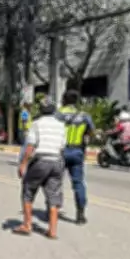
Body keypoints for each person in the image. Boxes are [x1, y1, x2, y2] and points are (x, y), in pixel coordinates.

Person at [15, 96, 67, 239]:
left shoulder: (36, 124)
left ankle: (27, 225)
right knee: (53, 196)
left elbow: (31, 145)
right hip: (56, 161)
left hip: (40, 161)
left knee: (28, 191)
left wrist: (23, 164)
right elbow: (62, 145)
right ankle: (52, 230)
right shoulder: (61, 125)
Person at [56, 90, 95, 225]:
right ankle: (80, 214)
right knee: (78, 183)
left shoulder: (58, 114)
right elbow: (91, 132)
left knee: (55, 182)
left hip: (60, 151)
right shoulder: (84, 116)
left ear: (64, 100)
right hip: (77, 151)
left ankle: (54, 210)